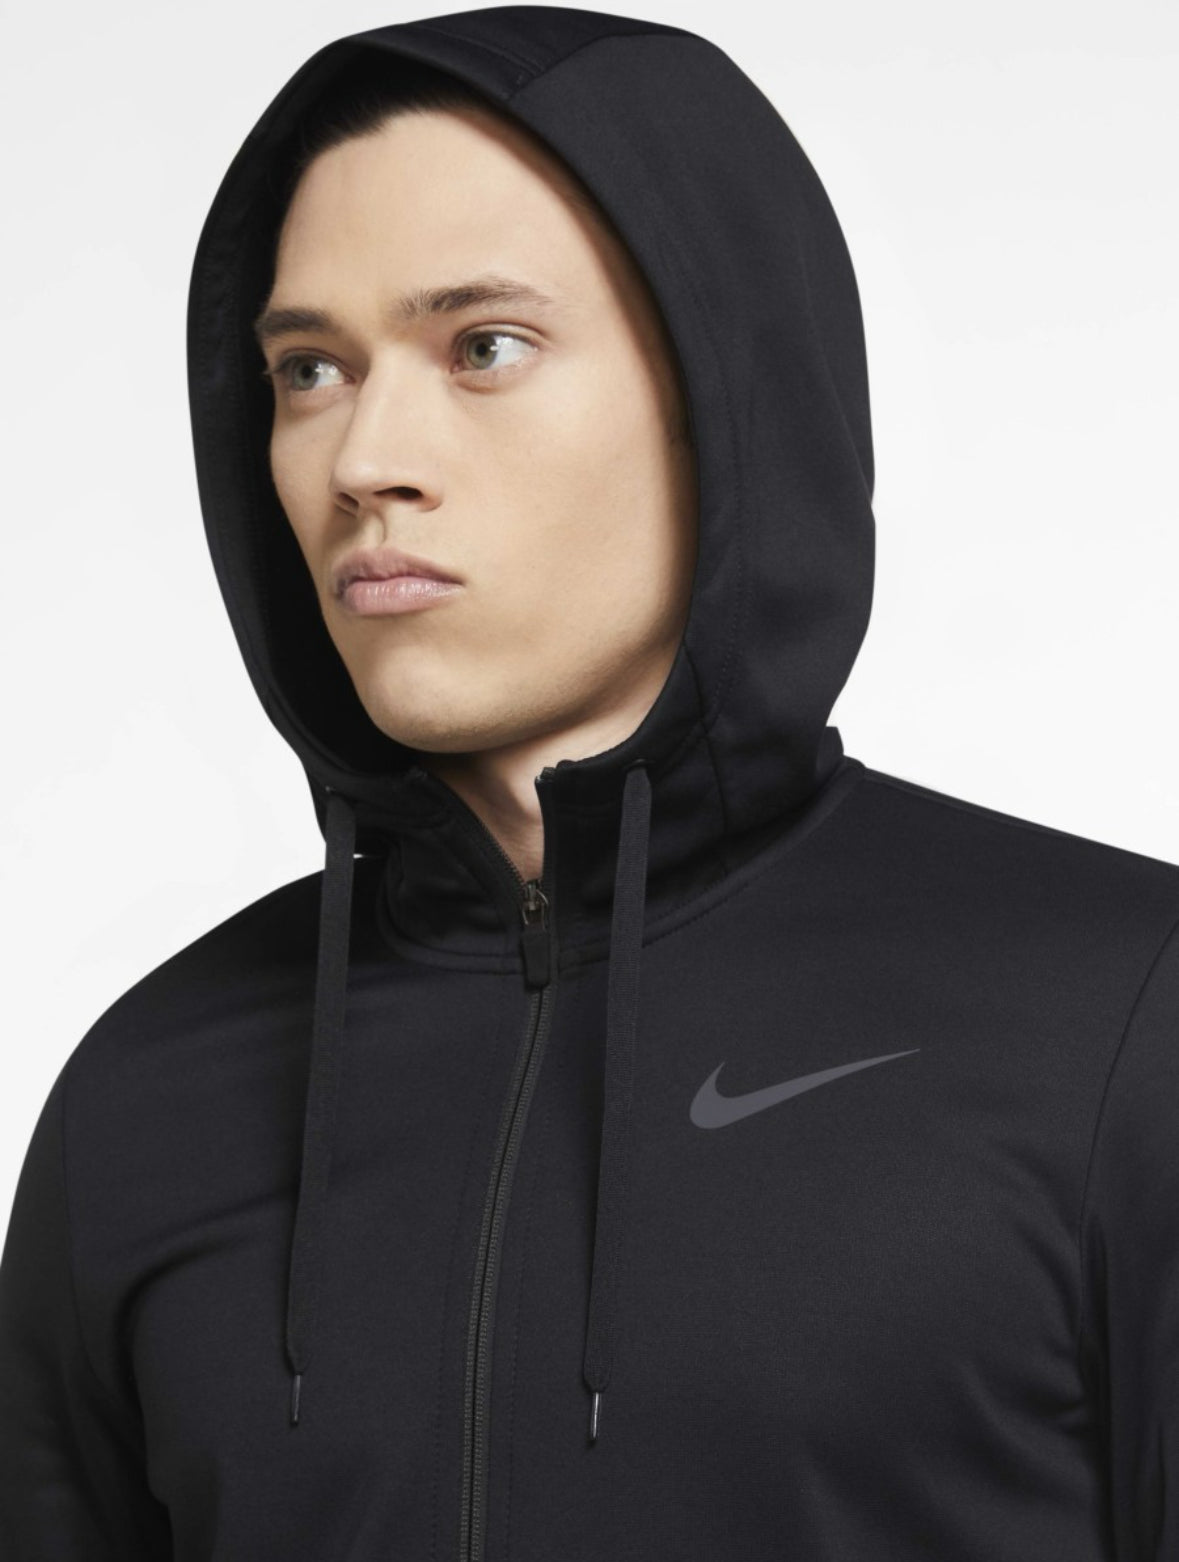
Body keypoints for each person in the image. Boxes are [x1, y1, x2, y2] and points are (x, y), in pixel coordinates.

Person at [1, 7, 1176, 1558]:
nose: (363, 458)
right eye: (309, 369)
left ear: (718, 389)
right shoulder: (148, 1100)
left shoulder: (1121, 1020)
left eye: (484, 346)